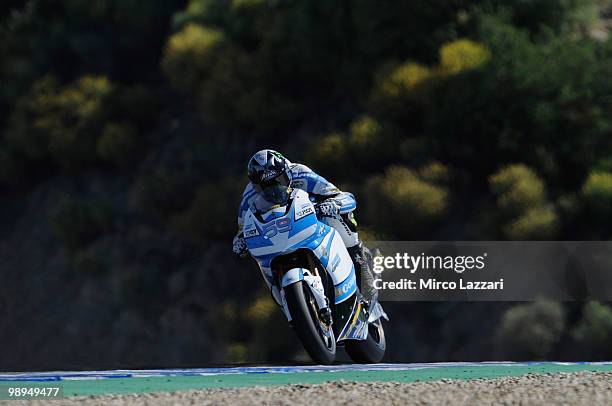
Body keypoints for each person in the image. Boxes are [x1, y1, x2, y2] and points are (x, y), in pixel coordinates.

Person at [232, 149, 377, 303]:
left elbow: (344, 196)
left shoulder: (301, 174)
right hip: (279, 235)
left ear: (287, 173)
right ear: (255, 185)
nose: (273, 190)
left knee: (336, 218)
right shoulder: (248, 196)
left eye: (278, 181)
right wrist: (239, 241)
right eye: (264, 187)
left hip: (312, 221)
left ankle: (359, 263)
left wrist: (333, 204)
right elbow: (243, 228)